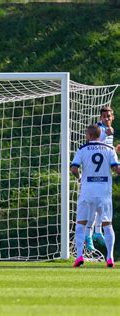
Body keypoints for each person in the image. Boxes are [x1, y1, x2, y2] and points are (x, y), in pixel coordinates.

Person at [71, 124, 120, 268]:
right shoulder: (109, 149)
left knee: (81, 223)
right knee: (107, 224)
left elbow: (74, 168)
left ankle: (79, 256)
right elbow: (117, 169)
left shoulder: (82, 149)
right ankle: (109, 258)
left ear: (90, 135)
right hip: (104, 191)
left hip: (87, 191)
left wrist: (79, 177)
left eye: (86, 134)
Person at [86, 106, 117, 249]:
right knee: (93, 204)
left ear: (113, 117)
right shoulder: (98, 129)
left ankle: (97, 232)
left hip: (105, 171)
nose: (107, 118)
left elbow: (106, 149)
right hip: (94, 173)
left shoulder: (110, 130)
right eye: (104, 116)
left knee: (102, 204)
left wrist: (115, 150)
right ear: (100, 118)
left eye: (109, 116)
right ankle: (88, 234)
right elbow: (92, 145)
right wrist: (105, 135)